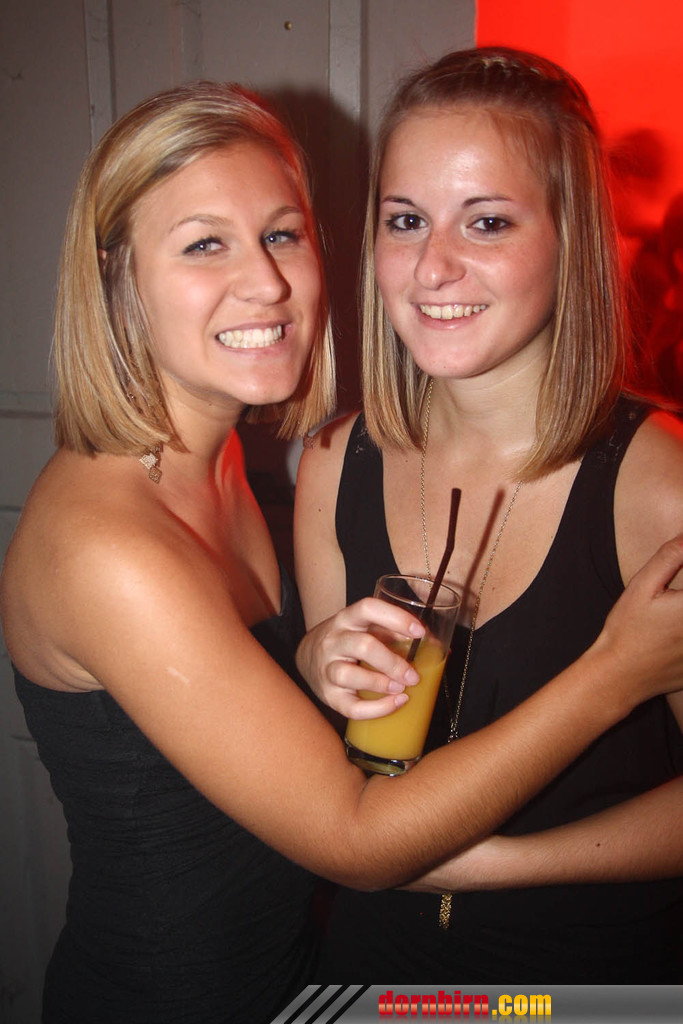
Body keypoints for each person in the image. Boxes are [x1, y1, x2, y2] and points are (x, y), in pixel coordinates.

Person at [1, 82, 681, 1024]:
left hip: (348, 986)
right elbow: (352, 834)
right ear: (117, 276)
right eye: (204, 243)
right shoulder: (112, 545)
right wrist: (614, 672)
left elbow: (273, 744)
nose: (266, 282)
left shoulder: (225, 469)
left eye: (281, 234)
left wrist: (314, 662)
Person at [294, 48, 683, 983]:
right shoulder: (331, 465)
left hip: (588, 984)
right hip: (367, 974)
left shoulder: (658, 488)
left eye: (487, 221)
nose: (432, 267)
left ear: (569, 236)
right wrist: (314, 662)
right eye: (405, 220)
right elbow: (335, 768)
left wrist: (489, 864)